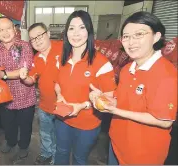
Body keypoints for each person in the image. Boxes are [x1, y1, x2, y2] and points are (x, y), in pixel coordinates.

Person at [90, 11, 177, 165]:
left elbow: (163, 120)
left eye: (139, 34)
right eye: (126, 36)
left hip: (143, 155)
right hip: (117, 144)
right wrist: (103, 97)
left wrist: (114, 111)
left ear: (156, 37)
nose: (131, 42)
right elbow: (121, 100)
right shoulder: (127, 68)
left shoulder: (166, 74)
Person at [54, 10, 117, 165]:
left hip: (88, 124)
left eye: (82, 28)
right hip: (62, 119)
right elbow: (57, 84)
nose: (76, 33)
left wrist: (84, 105)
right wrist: (59, 95)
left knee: (79, 158)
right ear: (66, 32)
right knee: (61, 152)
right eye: (71, 28)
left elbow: (110, 99)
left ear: (89, 31)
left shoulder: (102, 63)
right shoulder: (62, 59)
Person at [0, 16, 36, 164]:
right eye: (1, 30)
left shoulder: (24, 46)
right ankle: (10, 142)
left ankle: (23, 146)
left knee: (25, 126)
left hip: (25, 97)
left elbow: (25, 69)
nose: (5, 32)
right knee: (8, 125)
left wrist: (4, 75)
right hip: (6, 98)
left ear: (14, 29)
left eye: (8, 28)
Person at [19, 22, 63, 164]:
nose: (37, 40)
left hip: (62, 106)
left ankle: (55, 160)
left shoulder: (64, 49)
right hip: (44, 106)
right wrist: (24, 77)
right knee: (45, 134)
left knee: (58, 136)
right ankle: (46, 153)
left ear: (48, 34)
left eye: (40, 35)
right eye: (33, 38)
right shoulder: (36, 58)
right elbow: (31, 80)